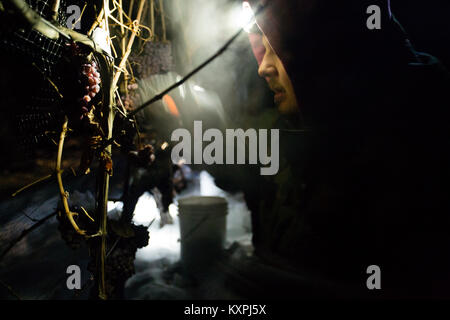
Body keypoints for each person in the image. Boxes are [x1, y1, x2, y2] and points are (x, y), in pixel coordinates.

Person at [223, 0, 450, 298]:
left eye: (275, 47)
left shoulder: (408, 154)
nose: (262, 67)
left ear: (322, 49)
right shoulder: (312, 137)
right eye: (259, 48)